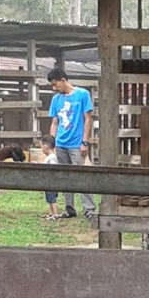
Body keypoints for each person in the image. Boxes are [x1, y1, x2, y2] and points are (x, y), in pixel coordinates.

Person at [46, 67, 97, 218]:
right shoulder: (56, 100)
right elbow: (55, 122)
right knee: (65, 177)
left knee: (82, 176)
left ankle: (89, 209)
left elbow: (88, 118)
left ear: (63, 80)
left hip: (76, 143)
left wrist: (85, 142)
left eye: (56, 84)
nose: (54, 88)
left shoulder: (82, 95)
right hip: (61, 143)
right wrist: (52, 144)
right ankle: (69, 209)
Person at [39, 136, 73, 220]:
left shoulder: (52, 157)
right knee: (49, 198)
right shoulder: (49, 157)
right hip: (48, 182)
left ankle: (55, 214)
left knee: (52, 199)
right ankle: (51, 213)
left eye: (41, 147)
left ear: (46, 146)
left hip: (52, 182)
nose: (41, 149)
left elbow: (53, 168)